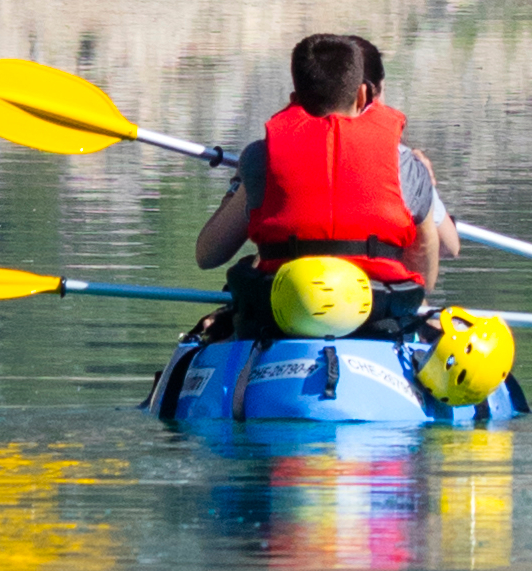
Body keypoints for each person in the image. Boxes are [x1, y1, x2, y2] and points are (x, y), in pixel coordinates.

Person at [188, 28, 452, 350]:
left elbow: (208, 254)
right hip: (380, 317)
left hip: (279, 315)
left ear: (294, 99)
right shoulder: (406, 165)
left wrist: (238, 186)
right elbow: (425, 259)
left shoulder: (260, 158)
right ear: (362, 96)